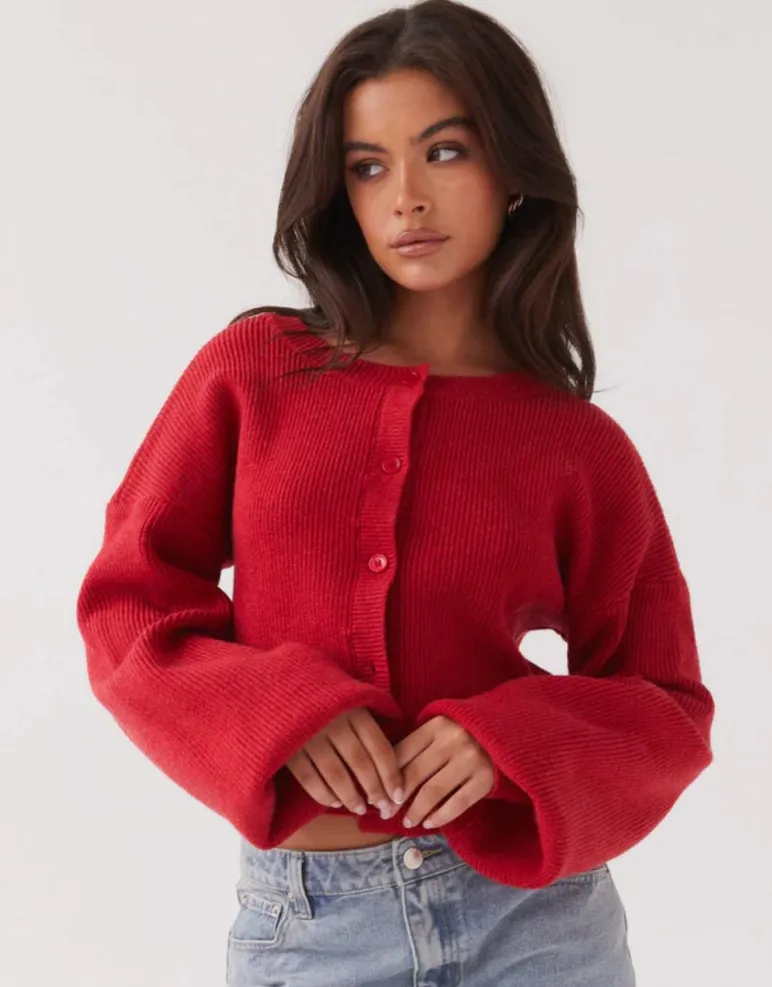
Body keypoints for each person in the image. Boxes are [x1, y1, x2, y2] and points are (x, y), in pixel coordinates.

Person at [75, 1, 715, 983]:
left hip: (539, 928)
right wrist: (280, 707)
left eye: (444, 152)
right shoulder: (253, 372)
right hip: (314, 923)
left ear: (514, 171)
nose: (406, 198)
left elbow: (665, 704)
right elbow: (128, 604)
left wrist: (509, 742)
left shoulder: (576, 444)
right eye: (368, 166)